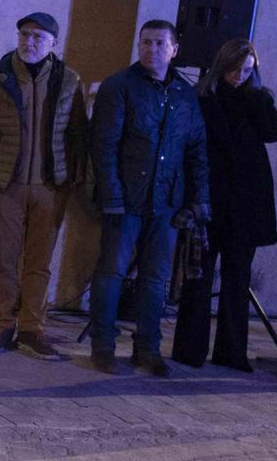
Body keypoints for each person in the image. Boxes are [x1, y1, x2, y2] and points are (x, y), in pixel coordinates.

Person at [0, 11, 88, 359]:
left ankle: (33, 329)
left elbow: (78, 134)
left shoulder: (70, 81)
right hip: (6, 184)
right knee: (4, 258)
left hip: (51, 186)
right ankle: (2, 326)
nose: (29, 42)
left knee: (39, 261)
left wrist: (72, 178)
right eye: (24, 35)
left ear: (53, 43)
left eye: (38, 37)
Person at [86, 20, 208, 375]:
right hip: (126, 199)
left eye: (158, 44)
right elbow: (103, 145)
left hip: (167, 202)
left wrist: (199, 199)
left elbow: (196, 149)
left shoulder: (185, 95)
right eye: (145, 43)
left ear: (174, 49)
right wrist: (111, 195)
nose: (151, 50)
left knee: (156, 279)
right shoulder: (119, 86)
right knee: (111, 273)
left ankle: (148, 348)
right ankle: (104, 347)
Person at [171, 38, 277, 370]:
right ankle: (190, 349)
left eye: (247, 70)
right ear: (223, 66)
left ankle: (231, 351)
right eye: (235, 69)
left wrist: (257, 97)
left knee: (237, 279)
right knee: (199, 277)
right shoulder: (205, 99)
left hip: (246, 205)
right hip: (210, 199)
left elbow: (275, 130)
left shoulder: (256, 99)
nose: (240, 76)